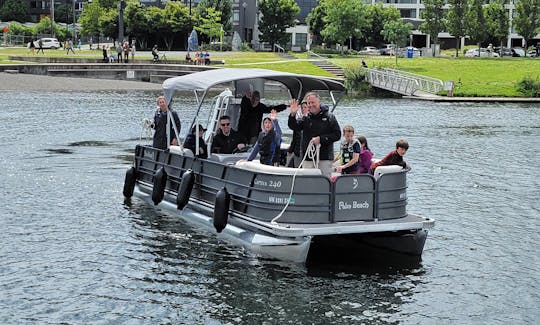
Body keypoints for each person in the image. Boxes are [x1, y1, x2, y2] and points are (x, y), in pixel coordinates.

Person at [288, 92, 341, 179]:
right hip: (308, 157)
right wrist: (292, 114)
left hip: (324, 157)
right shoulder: (306, 118)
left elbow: (337, 135)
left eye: (313, 102)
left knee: (324, 182)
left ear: (319, 102)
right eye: (309, 103)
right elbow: (294, 126)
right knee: (308, 182)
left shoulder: (329, 117)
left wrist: (321, 139)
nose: (311, 105)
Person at [286, 100, 308, 168]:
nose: (303, 109)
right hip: (298, 152)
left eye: (305, 107)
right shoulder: (299, 121)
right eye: (302, 108)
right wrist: (290, 150)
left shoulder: (312, 120)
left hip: (308, 153)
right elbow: (295, 138)